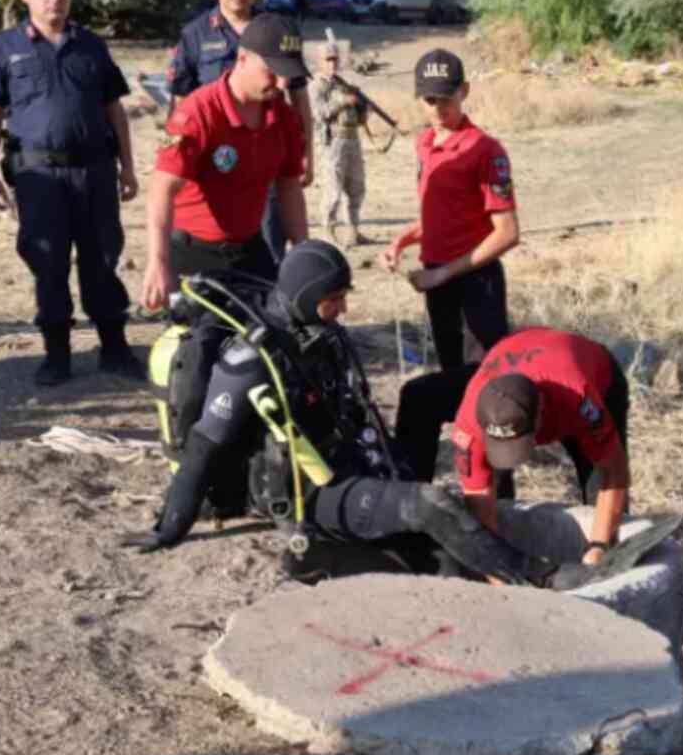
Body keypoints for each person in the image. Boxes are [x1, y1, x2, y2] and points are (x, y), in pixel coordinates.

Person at [124, 239, 554, 587]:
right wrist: (169, 526)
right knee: (431, 505)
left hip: (347, 465)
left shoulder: (322, 336)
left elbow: (359, 408)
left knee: (422, 421)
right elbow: (203, 445)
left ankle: (405, 557)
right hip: (309, 494)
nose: (343, 309)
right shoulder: (251, 360)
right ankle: (545, 575)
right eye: (334, 299)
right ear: (309, 297)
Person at [0, 0, 145, 386]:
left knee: (103, 258)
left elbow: (114, 109)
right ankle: (57, 354)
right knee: (47, 262)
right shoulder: (5, 48)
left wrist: (128, 167)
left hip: (95, 172)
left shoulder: (90, 45)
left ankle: (115, 348)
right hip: (39, 178)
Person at [399, 328, 630, 568]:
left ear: (541, 416)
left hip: (590, 372)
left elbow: (614, 473)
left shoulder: (579, 399)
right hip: (517, 354)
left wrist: (599, 547)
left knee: (604, 514)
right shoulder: (468, 424)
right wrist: (502, 576)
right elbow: (480, 502)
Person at [142, 13, 309, 314]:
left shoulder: (282, 116)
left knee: (272, 342)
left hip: (250, 248)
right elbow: (161, 191)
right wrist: (158, 262)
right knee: (200, 349)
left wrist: (303, 253)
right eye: (272, 71)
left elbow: (289, 187)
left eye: (288, 73)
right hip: (194, 254)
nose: (282, 82)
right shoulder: (199, 112)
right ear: (242, 58)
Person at [382, 48, 518, 371]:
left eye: (447, 98)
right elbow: (442, 214)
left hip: (475, 280)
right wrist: (402, 241)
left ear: (464, 91)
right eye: (430, 100)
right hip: (437, 278)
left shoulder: (485, 150)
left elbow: (508, 233)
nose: (439, 108)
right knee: (450, 372)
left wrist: (443, 273)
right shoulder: (425, 143)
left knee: (481, 379)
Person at [166, 0, 313, 263]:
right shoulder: (195, 35)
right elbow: (181, 104)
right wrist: (181, 159)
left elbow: (299, 99)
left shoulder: (277, 29)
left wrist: (307, 155)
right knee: (217, 235)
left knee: (271, 241)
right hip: (216, 160)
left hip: (267, 150)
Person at [311, 41, 371, 248]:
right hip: (332, 143)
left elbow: (361, 119)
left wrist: (362, 106)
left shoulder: (343, 85)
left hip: (352, 139)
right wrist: (343, 102)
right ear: (319, 62)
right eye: (328, 59)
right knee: (333, 189)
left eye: (335, 59)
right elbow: (319, 114)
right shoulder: (317, 86)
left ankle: (354, 230)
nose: (332, 63)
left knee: (357, 186)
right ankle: (329, 231)